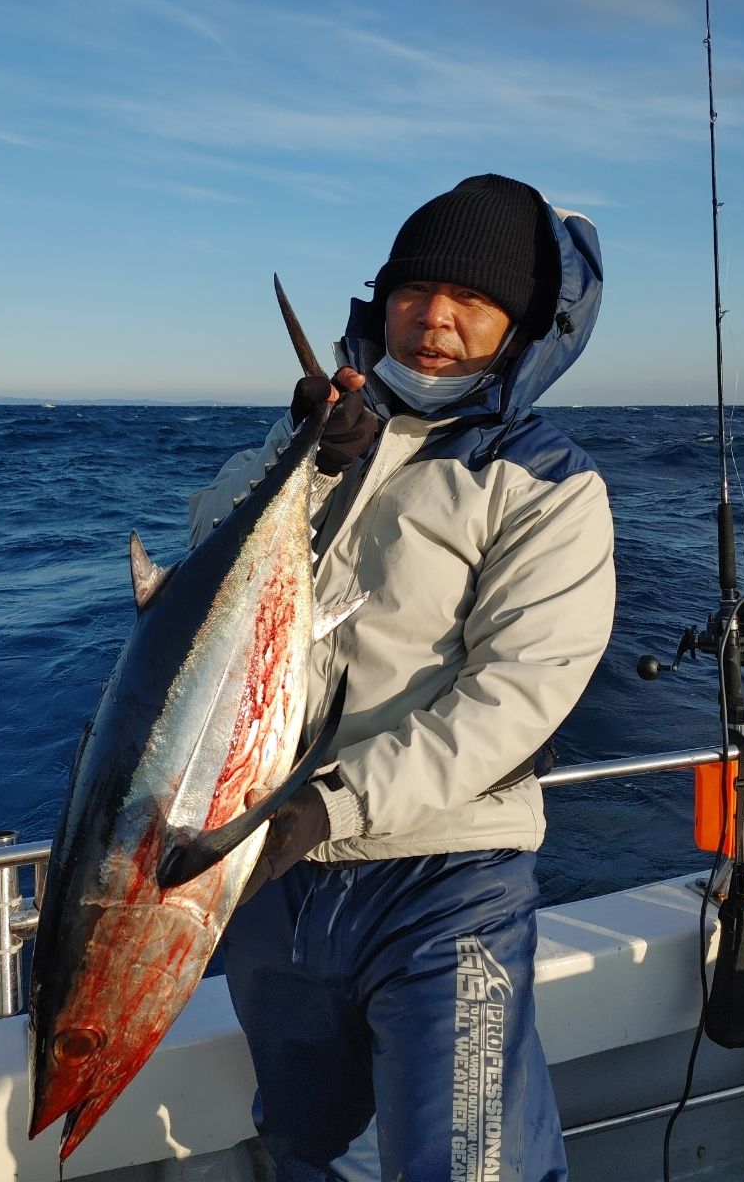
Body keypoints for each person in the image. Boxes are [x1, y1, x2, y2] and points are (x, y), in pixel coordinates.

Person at [187, 173, 615, 1182]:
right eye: (416, 291)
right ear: (380, 302)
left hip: (445, 875)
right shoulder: (315, 436)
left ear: (520, 325)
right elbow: (203, 578)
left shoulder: (549, 483)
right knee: (302, 1143)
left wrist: (331, 806)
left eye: (473, 300)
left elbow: (514, 697)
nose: (437, 320)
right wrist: (308, 461)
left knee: (471, 1160)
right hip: (277, 874)